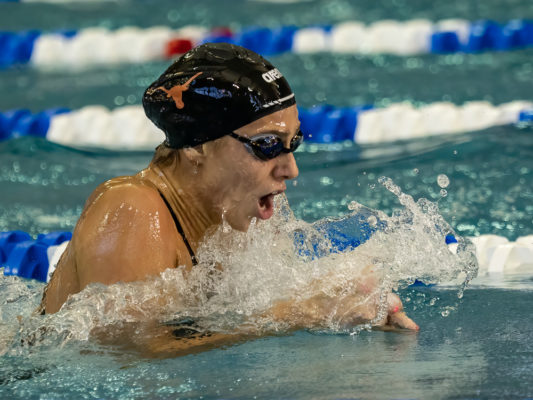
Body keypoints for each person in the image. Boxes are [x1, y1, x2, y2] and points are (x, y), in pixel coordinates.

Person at [39, 43, 417, 346]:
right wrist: (299, 314)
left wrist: (353, 305)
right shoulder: (133, 208)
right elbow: (129, 351)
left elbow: (261, 309)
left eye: (293, 143)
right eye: (267, 144)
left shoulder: (232, 219)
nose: (290, 168)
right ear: (196, 147)